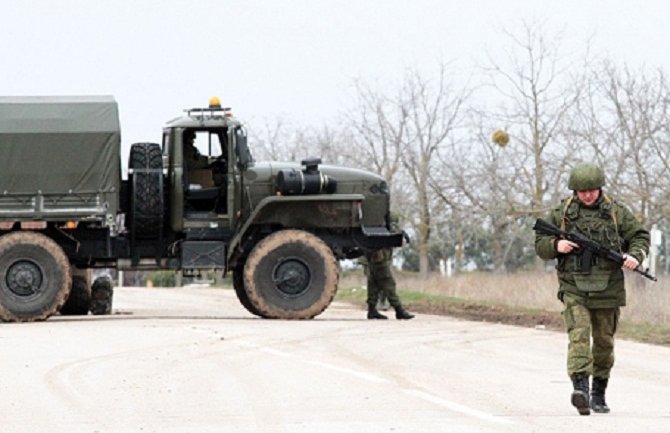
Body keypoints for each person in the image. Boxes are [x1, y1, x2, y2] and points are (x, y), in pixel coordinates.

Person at [535, 163, 650, 416]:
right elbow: (540, 242)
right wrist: (556, 244)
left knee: (603, 343)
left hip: (608, 287)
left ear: (600, 188)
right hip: (573, 285)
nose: (587, 195)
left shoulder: (616, 213)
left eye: (592, 190)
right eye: (582, 190)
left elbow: (640, 235)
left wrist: (635, 255)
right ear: (575, 191)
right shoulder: (562, 213)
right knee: (579, 333)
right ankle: (581, 390)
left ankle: (599, 393)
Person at [363, 248, 415, 320]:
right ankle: (399, 310)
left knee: (373, 283)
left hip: (372, 254)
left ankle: (372, 309)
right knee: (388, 283)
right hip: (379, 254)